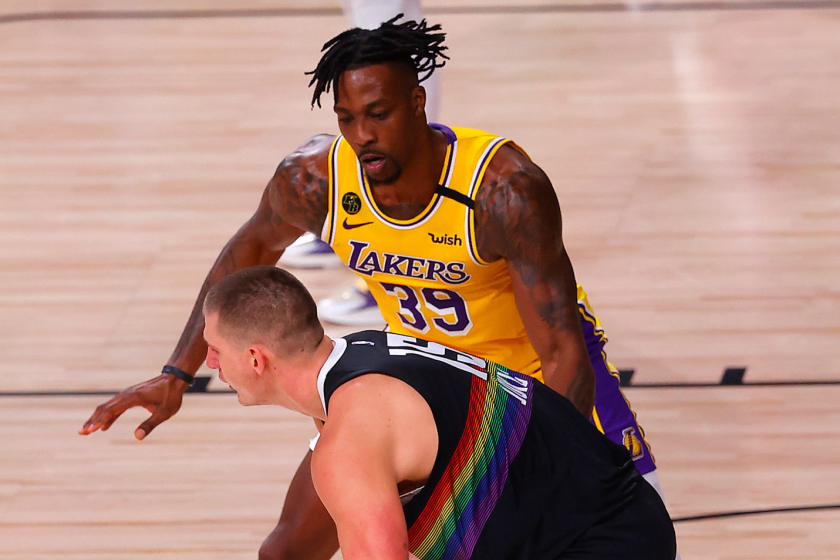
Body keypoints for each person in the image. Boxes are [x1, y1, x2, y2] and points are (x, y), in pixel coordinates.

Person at [80, 16, 678, 560]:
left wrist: (541, 471)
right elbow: (248, 252)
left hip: (531, 394)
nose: (361, 135)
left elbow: (562, 352)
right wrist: (177, 372)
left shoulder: (502, 190)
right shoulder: (315, 181)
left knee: (609, 530)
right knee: (286, 553)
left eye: (379, 114)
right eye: (347, 119)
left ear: (418, 103)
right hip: (420, 387)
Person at [223, 266, 682, 558]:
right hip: (623, 514)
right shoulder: (367, 353)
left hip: (599, 542)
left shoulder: (349, 439)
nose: (209, 364)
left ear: (255, 359)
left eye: (213, 350)